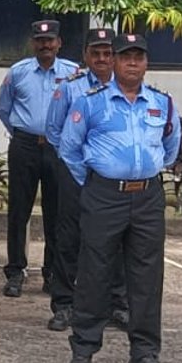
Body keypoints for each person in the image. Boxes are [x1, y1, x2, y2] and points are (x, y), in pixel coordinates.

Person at [57, 33, 180, 363]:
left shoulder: (162, 103)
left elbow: (170, 147)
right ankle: (83, 349)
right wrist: (97, 184)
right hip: (104, 195)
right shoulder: (91, 102)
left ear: (146, 63)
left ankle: (144, 353)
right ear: (112, 61)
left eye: (138, 57)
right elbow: (69, 149)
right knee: (94, 272)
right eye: (124, 57)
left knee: (146, 276)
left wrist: (144, 173)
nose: (131, 63)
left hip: (147, 197)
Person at [45, 27, 130, 333]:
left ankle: (117, 305)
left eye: (108, 53)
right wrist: (77, 167)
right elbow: (54, 131)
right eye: (96, 53)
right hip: (76, 174)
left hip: (112, 178)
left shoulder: (127, 89)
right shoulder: (71, 88)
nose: (102, 58)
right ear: (85, 56)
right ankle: (64, 304)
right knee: (68, 237)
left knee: (117, 240)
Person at [0, 19, 80, 299]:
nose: (45, 45)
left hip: (57, 149)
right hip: (25, 147)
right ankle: (16, 272)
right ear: (34, 43)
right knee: (19, 211)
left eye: (50, 40)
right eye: (40, 41)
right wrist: (22, 134)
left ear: (59, 43)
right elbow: (4, 109)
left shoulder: (72, 74)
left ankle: (52, 273)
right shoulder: (18, 73)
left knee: (57, 214)